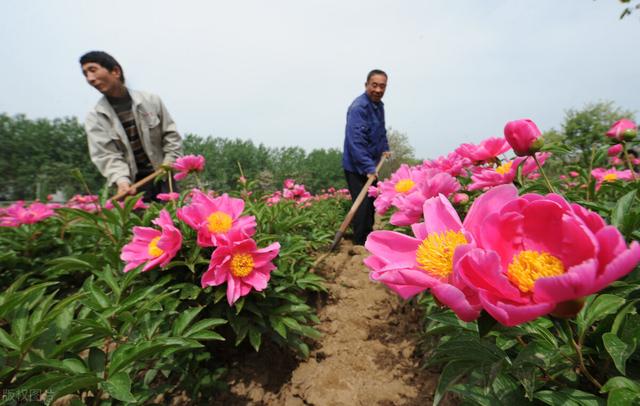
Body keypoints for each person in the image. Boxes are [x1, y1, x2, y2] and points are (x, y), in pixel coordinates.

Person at [80, 51, 182, 200]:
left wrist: (168, 164)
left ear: (115, 71)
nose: (90, 79)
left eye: (93, 70)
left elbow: (170, 136)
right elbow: (106, 155)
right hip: (133, 187)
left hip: (165, 180)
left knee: (172, 221)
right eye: (85, 74)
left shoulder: (150, 101)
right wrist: (121, 180)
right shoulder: (95, 118)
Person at [342, 69, 391, 245]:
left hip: (372, 164)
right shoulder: (358, 108)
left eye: (382, 86)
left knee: (371, 202)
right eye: (374, 85)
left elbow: (381, 131)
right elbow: (356, 142)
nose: (378, 90)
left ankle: (368, 237)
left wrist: (385, 148)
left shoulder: (379, 106)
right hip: (356, 165)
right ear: (366, 85)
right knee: (362, 205)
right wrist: (368, 167)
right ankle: (359, 242)